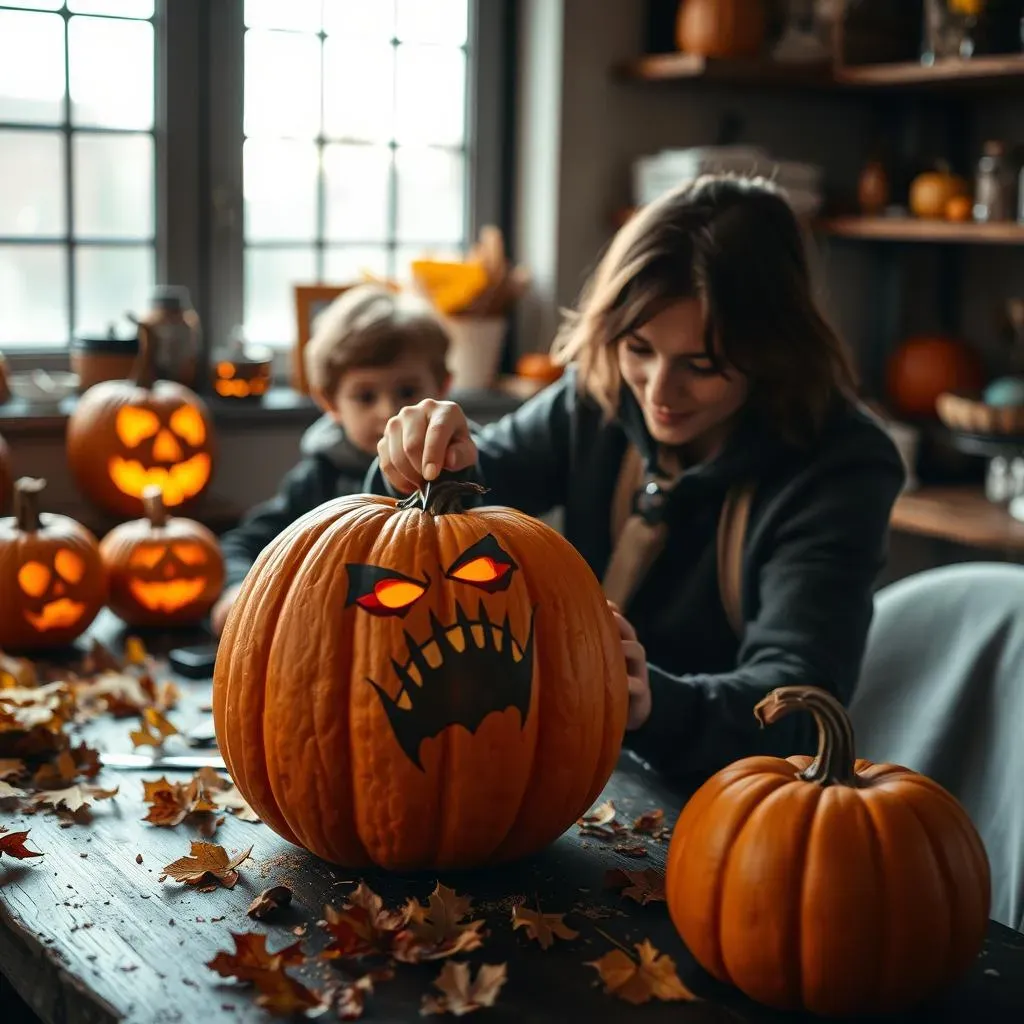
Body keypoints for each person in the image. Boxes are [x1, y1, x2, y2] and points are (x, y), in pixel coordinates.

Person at [368, 175, 906, 787]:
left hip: (726, 797)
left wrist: (652, 704)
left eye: (701, 366)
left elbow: (797, 703)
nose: (658, 391)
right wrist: (423, 466)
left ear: (773, 350)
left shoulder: (842, 465)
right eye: (639, 348)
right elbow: (467, 493)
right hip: (573, 765)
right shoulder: (596, 398)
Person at [211, 284, 451, 634]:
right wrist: (236, 591)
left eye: (407, 392)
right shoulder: (318, 479)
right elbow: (243, 542)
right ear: (331, 404)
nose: (388, 411)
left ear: (442, 388)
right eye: (365, 396)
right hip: (339, 642)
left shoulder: (462, 469)